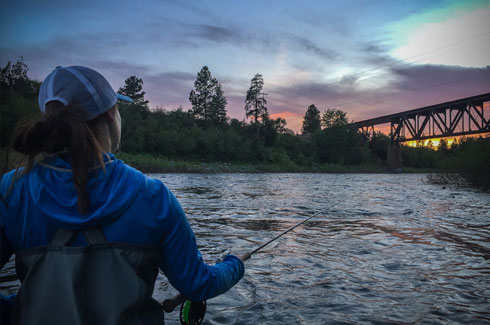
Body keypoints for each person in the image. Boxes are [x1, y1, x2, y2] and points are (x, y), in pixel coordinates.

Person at [0, 66, 245, 324]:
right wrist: (235, 263)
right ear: (109, 115)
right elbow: (199, 285)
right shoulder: (154, 197)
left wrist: (23, 308)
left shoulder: (10, 190)